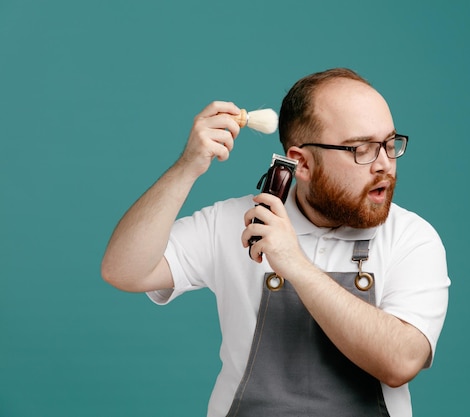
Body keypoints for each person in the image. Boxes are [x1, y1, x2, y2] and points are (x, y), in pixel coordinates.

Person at [101, 68, 450, 417]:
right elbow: (124, 271)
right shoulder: (232, 222)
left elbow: (401, 362)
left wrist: (294, 264)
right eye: (362, 149)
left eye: (390, 145)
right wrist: (188, 166)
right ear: (301, 163)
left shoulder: (411, 237)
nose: (384, 165)